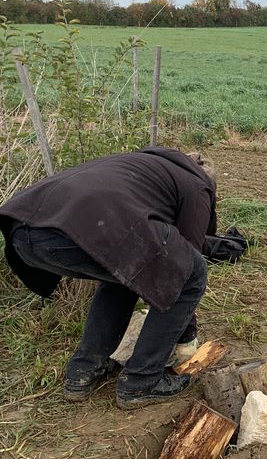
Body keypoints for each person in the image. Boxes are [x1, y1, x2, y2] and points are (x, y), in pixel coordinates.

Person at [0, 148, 217, 410]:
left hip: (23, 232)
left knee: (124, 275)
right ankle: (142, 381)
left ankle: (84, 371)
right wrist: (187, 335)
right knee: (193, 271)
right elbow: (182, 271)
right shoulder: (198, 185)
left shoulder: (148, 163)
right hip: (77, 229)